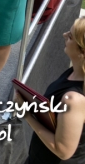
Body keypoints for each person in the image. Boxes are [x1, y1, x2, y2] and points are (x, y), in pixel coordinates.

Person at [19, 17, 85, 163]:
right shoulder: (74, 72)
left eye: (70, 37)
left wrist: (27, 115)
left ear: (83, 51)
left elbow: (63, 151)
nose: (64, 34)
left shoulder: (74, 99)